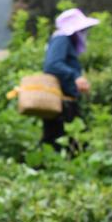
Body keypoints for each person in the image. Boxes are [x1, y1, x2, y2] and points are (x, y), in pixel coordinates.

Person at [42, 8, 99, 152]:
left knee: (65, 142)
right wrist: (75, 76)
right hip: (62, 103)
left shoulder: (64, 40)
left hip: (66, 102)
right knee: (63, 142)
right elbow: (52, 64)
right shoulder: (62, 38)